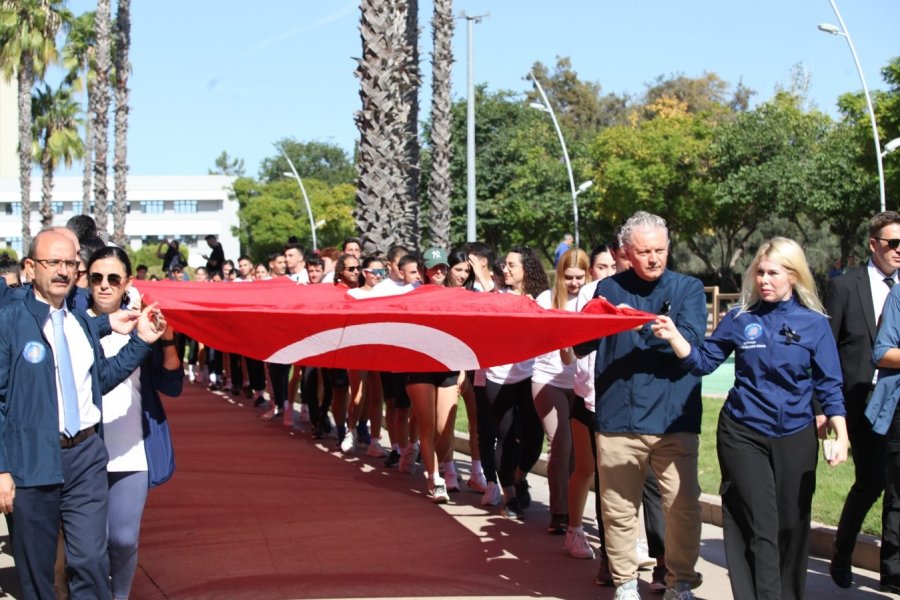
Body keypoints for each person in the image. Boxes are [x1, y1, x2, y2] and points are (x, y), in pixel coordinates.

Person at [653, 236, 849, 600]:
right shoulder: (741, 320)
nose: (764, 280)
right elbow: (703, 362)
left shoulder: (814, 324)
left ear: (793, 275)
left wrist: (841, 434)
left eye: (773, 272)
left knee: (791, 523)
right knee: (761, 522)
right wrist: (675, 337)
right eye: (759, 272)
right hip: (743, 431)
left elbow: (829, 384)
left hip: (795, 432)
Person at [0, 230, 164, 599]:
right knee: (37, 572)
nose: (62, 271)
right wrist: (1, 469)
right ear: (30, 268)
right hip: (33, 460)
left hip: (87, 456)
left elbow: (101, 380)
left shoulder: (79, 323)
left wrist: (141, 342)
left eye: (70, 264)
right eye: (52, 262)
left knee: (90, 561)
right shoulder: (9, 321)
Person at [574, 211, 705, 600]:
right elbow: (580, 344)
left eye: (660, 250)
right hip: (618, 419)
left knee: (683, 509)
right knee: (617, 510)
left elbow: (693, 342)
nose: (653, 258)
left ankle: (680, 582)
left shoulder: (689, 288)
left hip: (675, 418)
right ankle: (626, 583)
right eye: (644, 251)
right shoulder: (606, 291)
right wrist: (586, 322)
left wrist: (644, 327)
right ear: (626, 252)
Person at [86, 246, 183, 600]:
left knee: (123, 539)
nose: (105, 285)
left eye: (113, 278)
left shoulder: (143, 321)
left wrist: (166, 337)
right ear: (87, 281)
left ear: (127, 282)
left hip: (133, 451)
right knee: (90, 544)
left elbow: (171, 384)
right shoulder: (74, 325)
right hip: (83, 453)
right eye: (97, 278)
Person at [826, 211, 900, 589]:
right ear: (874, 244)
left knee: (895, 485)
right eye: (893, 244)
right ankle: (842, 550)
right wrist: (823, 407)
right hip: (859, 398)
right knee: (871, 481)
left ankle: (892, 572)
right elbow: (825, 349)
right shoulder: (844, 287)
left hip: (896, 399)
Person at [486, 246, 547, 519]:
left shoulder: (542, 299)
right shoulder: (495, 299)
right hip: (499, 377)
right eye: (505, 265)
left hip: (533, 375)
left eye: (512, 265)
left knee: (535, 436)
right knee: (506, 437)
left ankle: (520, 476)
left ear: (527, 269)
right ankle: (508, 495)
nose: (505, 269)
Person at [532, 247, 591, 534]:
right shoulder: (547, 299)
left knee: (579, 454)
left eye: (580, 277)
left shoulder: (591, 300)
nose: (575, 283)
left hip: (579, 384)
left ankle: (572, 510)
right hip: (547, 380)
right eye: (569, 277)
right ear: (559, 275)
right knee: (561, 442)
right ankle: (560, 512)